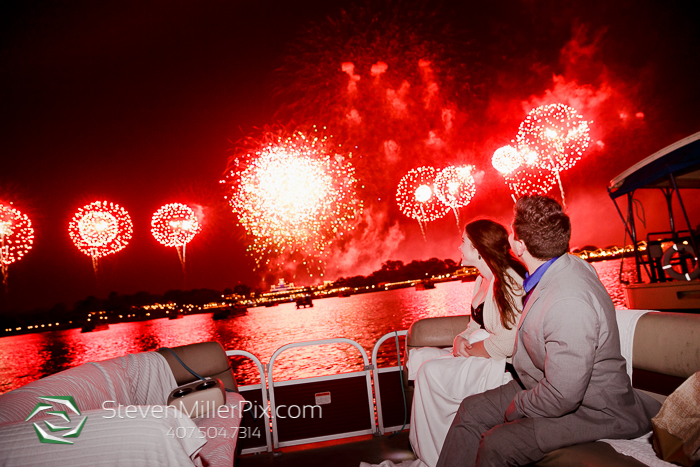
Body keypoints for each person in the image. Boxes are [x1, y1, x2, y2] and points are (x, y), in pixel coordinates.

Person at [436, 195, 662, 467]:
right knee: (472, 409)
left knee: (498, 443)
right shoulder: (563, 265)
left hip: (593, 410)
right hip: (540, 384)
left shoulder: (568, 302)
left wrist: (517, 407)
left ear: (518, 246)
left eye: (512, 232)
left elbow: (562, 395)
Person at [407, 219, 526, 467]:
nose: (459, 247)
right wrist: (460, 338)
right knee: (423, 362)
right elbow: (475, 324)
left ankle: (437, 454)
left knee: (429, 372)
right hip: (482, 351)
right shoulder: (481, 279)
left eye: (463, 242)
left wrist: (471, 351)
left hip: (501, 363)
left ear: (478, 249)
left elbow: (508, 341)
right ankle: (437, 450)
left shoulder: (508, 280)